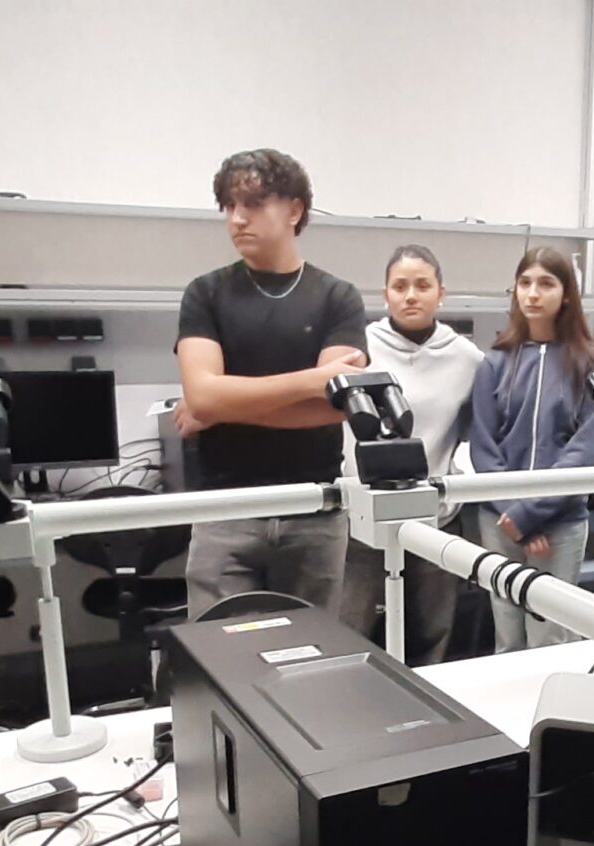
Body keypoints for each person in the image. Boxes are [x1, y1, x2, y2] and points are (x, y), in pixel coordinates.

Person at [173, 148, 369, 616]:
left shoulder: (338, 298)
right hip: (226, 512)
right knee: (221, 653)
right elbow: (204, 396)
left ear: (294, 210)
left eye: (254, 204)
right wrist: (315, 380)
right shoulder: (205, 294)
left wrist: (224, 406)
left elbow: (334, 407)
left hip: (314, 513)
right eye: (229, 206)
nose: (237, 219)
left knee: (311, 653)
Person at [335, 245, 485, 663]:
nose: (411, 296)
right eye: (400, 286)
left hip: (433, 517)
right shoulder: (357, 350)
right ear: (385, 294)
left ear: (441, 293)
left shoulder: (468, 359)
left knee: (432, 632)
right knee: (348, 628)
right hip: (361, 519)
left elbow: (478, 431)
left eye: (422, 285)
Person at [468, 247, 594, 652]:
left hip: (560, 523)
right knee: (508, 636)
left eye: (546, 283)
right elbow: (483, 447)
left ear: (566, 294)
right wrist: (514, 515)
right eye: (525, 283)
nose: (532, 293)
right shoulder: (495, 362)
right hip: (499, 520)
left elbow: (585, 450)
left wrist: (531, 515)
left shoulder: (590, 363)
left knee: (549, 637)